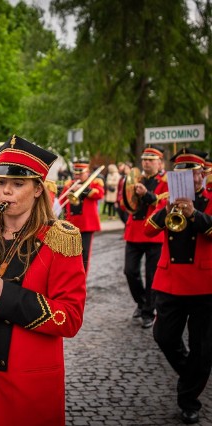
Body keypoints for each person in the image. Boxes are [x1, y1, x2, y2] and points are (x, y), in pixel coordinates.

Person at [0, 135, 86, 425]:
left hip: (25, 385)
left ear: (38, 189)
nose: (6, 193)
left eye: (17, 184)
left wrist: (6, 298)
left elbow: (71, 317)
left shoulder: (60, 240)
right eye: (0, 183)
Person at [144, 147, 212, 425]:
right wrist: (167, 210)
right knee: (164, 336)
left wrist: (194, 214)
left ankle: (189, 400)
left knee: (202, 348)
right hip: (170, 282)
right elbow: (148, 229)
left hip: (204, 284)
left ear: (203, 175)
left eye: (194, 174)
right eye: (183, 175)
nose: (191, 180)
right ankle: (192, 375)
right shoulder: (167, 200)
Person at [120, 145, 168, 329]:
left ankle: (149, 311)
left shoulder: (164, 180)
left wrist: (146, 195)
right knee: (130, 271)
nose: (146, 163)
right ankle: (141, 303)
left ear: (159, 162)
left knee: (151, 275)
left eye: (150, 160)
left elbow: (164, 203)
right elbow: (125, 203)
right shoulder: (135, 178)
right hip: (134, 232)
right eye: (144, 160)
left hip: (154, 234)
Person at [62, 159, 104, 273]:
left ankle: (82, 281)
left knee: (84, 255)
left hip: (87, 225)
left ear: (87, 172)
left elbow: (100, 194)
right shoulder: (69, 184)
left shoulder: (94, 183)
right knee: (69, 254)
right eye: (75, 173)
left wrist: (83, 189)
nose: (77, 175)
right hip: (71, 224)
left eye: (80, 173)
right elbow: (62, 201)